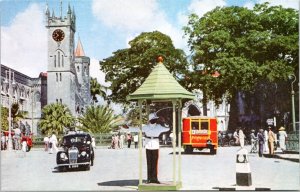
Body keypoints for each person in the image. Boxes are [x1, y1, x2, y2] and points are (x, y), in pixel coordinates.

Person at [142, 113, 170, 184]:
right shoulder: (145, 127)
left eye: (155, 119)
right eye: (154, 119)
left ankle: (155, 178)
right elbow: (136, 129)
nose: (155, 120)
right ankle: (149, 178)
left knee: (155, 163)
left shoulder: (159, 126)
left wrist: (164, 121)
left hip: (155, 145)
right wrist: (127, 128)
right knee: (149, 163)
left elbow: (168, 128)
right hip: (148, 145)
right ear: (150, 120)